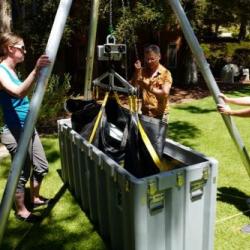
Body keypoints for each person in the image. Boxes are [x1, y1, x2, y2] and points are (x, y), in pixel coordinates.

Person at [0, 32, 51, 222]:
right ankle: (21, 210)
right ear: (10, 49)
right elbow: (18, 93)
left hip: (28, 128)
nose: (25, 51)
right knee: (21, 172)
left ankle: (35, 198)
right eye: (22, 47)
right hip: (14, 132)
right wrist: (36, 71)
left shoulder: (13, 70)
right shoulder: (0, 71)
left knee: (41, 166)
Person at [131, 44, 173, 122]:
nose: (149, 61)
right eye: (147, 59)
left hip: (160, 115)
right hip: (145, 113)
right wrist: (137, 72)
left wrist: (147, 87)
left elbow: (165, 93)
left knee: (158, 135)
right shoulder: (142, 71)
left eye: (152, 59)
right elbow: (133, 87)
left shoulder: (165, 73)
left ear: (159, 57)